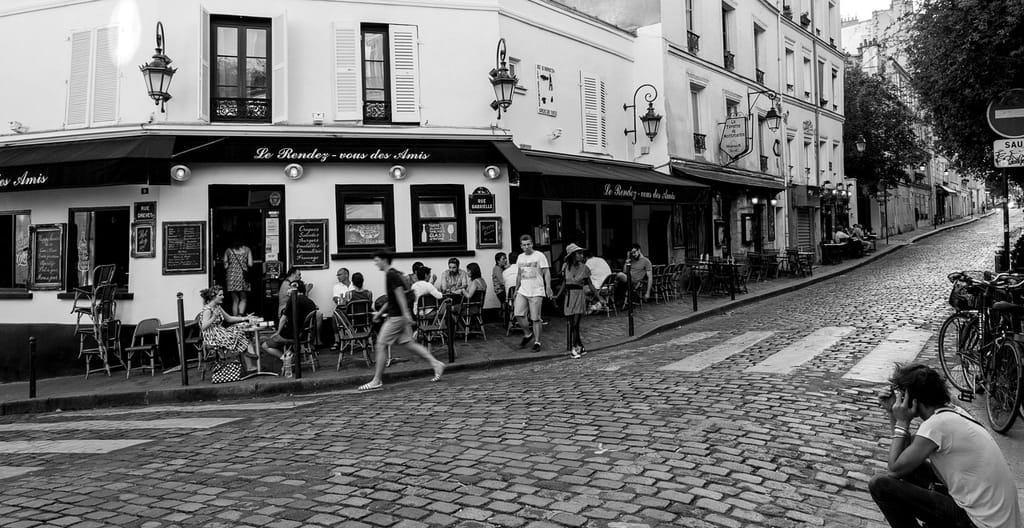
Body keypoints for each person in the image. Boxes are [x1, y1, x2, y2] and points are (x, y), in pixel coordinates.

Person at [869, 363, 1022, 528]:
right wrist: (892, 412)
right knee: (913, 469)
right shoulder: (952, 412)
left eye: (901, 395)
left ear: (911, 399)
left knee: (880, 485)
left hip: (980, 523)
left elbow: (893, 469)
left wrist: (901, 420)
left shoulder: (937, 425)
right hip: (995, 518)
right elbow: (904, 456)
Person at [358, 250, 445, 391]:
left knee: (380, 345)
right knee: (409, 344)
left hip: (396, 317)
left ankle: (376, 380)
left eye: (377, 259)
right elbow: (392, 298)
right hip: (401, 316)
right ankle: (436, 364)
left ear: (384, 260)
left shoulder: (391, 275)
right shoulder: (395, 273)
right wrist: (380, 313)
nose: (375, 263)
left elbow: (399, 295)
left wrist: (405, 314)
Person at [198, 286, 258, 371]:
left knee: (242, 326)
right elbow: (203, 327)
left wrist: (245, 318)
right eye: (220, 295)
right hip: (213, 336)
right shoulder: (208, 310)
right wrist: (214, 317)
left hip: (221, 332)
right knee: (238, 333)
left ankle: (249, 353)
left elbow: (229, 318)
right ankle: (249, 352)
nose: (223, 297)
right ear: (213, 297)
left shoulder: (217, 306)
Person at [262, 281, 319, 369]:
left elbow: (283, 319)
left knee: (265, 345)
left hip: (293, 335)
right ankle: (290, 356)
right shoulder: (309, 301)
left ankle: (288, 359)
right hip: (305, 335)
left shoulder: (293, 300)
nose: (287, 291)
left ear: (295, 289)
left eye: (289, 288)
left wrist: (278, 332)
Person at [514, 234, 553, 352]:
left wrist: (548, 287)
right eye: (524, 245)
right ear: (521, 246)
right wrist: (516, 288)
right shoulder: (520, 257)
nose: (527, 247)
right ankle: (527, 334)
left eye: (528, 244)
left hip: (536, 290)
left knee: (535, 318)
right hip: (523, 289)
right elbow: (519, 274)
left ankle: (537, 342)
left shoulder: (539, 256)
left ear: (532, 244)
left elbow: (546, 272)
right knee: (518, 314)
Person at [556, 244, 590, 359]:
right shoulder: (566, 266)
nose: (581, 255)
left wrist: (599, 297)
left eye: (581, 253)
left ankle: (574, 347)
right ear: (572, 255)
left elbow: (590, 284)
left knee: (575, 323)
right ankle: (581, 346)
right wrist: (557, 296)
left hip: (579, 295)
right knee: (572, 324)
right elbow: (564, 283)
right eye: (579, 253)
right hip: (569, 296)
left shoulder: (584, 268)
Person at [223, 237, 253, 315]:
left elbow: (225, 266)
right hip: (242, 276)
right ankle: (240, 316)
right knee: (243, 298)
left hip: (231, 276)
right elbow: (250, 264)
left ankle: (235, 319)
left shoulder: (228, 250)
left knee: (235, 300)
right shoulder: (247, 250)